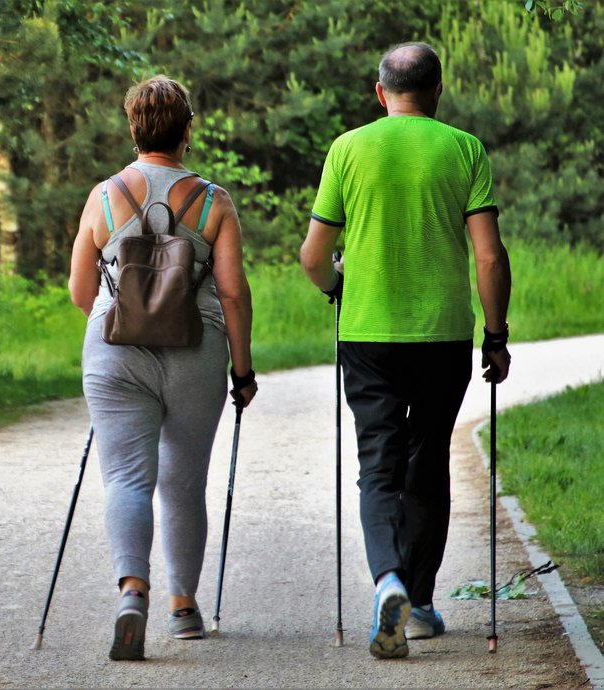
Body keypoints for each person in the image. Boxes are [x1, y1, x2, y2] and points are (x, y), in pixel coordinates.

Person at [300, 42, 512, 660]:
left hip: (367, 334)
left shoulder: (348, 149)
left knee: (378, 463)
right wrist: (495, 336)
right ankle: (417, 604)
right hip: (443, 335)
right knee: (428, 462)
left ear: (379, 92)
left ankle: (386, 579)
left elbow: (313, 256)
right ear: (438, 90)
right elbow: (490, 257)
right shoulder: (464, 149)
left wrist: (336, 286)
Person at [68, 75, 257, 661]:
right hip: (195, 351)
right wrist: (242, 371)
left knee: (126, 477)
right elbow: (233, 295)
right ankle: (183, 608)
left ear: (133, 129)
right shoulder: (214, 201)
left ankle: (132, 593)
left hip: (114, 352)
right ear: (188, 130)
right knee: (182, 482)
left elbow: (79, 290)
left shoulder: (102, 197)